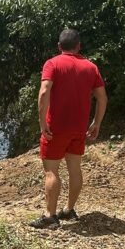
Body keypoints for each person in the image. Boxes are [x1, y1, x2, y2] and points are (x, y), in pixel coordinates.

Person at [30, 28, 107, 229]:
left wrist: (42, 123)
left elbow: (44, 91)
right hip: (79, 128)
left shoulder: (52, 63)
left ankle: (50, 216)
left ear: (59, 46)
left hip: (55, 127)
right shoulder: (91, 67)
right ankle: (69, 209)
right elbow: (102, 98)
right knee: (75, 168)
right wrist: (96, 122)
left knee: (51, 171)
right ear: (78, 45)